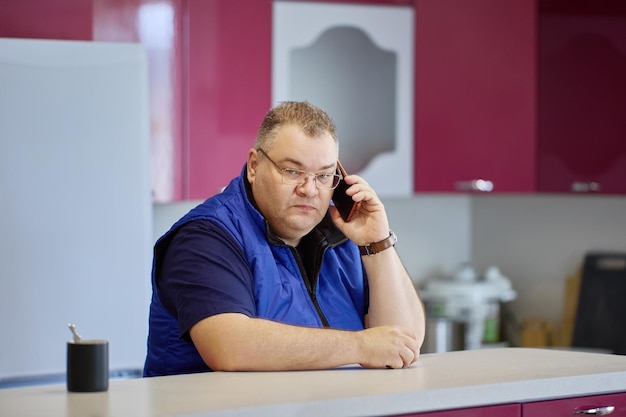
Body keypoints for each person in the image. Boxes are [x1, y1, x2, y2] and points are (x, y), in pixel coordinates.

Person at [144, 101, 425, 376]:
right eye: (292, 171)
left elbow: (404, 343)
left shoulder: (345, 231)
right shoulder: (205, 237)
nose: (309, 189)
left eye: (324, 175)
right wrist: (361, 346)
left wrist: (378, 244)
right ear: (254, 166)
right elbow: (229, 345)